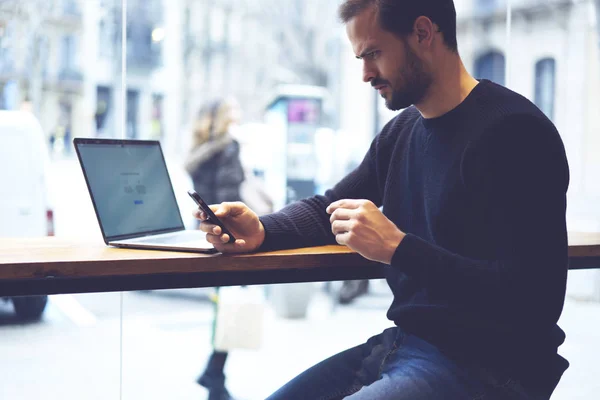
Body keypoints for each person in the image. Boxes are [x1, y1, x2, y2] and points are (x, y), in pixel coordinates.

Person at [194, 1, 570, 399]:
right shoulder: (402, 131)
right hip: (406, 346)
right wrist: (263, 228)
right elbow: (332, 207)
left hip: (491, 368)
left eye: (373, 53)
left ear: (424, 34)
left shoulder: (515, 132)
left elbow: (533, 300)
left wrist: (398, 248)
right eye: (360, 58)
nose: (365, 74)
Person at [185, 98, 245, 400]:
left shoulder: (199, 152)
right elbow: (230, 197)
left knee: (223, 305)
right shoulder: (228, 149)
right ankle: (215, 373)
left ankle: (215, 375)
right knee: (230, 306)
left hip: (206, 234)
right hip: (230, 237)